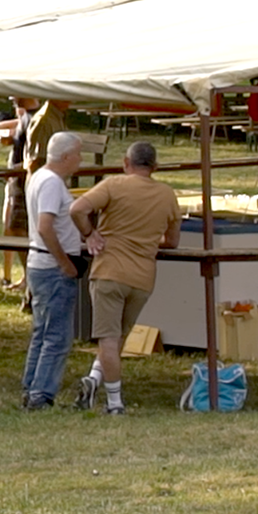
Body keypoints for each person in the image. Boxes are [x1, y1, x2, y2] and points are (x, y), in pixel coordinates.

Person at [67, 141, 180, 414]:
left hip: (109, 272)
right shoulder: (167, 195)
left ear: (126, 163)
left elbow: (77, 209)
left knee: (107, 339)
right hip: (142, 278)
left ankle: (115, 402)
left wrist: (90, 234)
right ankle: (94, 379)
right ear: (155, 167)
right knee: (118, 338)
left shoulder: (114, 185)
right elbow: (173, 241)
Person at [19, 132, 83, 410]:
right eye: (78, 155)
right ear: (66, 157)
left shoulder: (39, 178)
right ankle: (41, 394)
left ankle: (31, 386)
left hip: (41, 264)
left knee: (43, 331)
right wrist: (64, 262)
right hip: (51, 267)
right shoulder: (52, 184)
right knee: (56, 335)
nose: (80, 161)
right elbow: (46, 226)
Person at [0, 98, 39, 291]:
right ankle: (27, 277)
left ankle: (30, 277)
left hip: (24, 181)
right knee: (15, 228)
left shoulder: (34, 118)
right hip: (18, 181)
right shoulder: (25, 118)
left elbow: (35, 157)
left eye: (15, 98)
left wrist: (14, 169)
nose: (12, 100)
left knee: (19, 228)